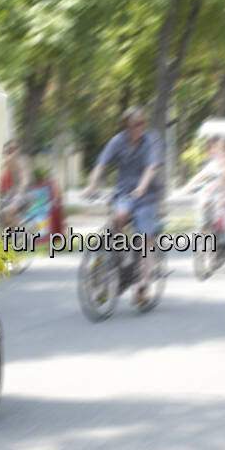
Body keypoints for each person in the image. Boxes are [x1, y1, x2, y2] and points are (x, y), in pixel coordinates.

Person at [82, 107, 163, 303]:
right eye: (135, 124)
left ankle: (143, 286)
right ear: (126, 126)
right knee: (118, 217)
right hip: (125, 193)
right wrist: (91, 185)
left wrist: (142, 186)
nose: (140, 127)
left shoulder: (151, 140)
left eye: (142, 123)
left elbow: (152, 166)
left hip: (146, 195)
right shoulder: (117, 141)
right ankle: (118, 261)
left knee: (143, 239)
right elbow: (101, 163)